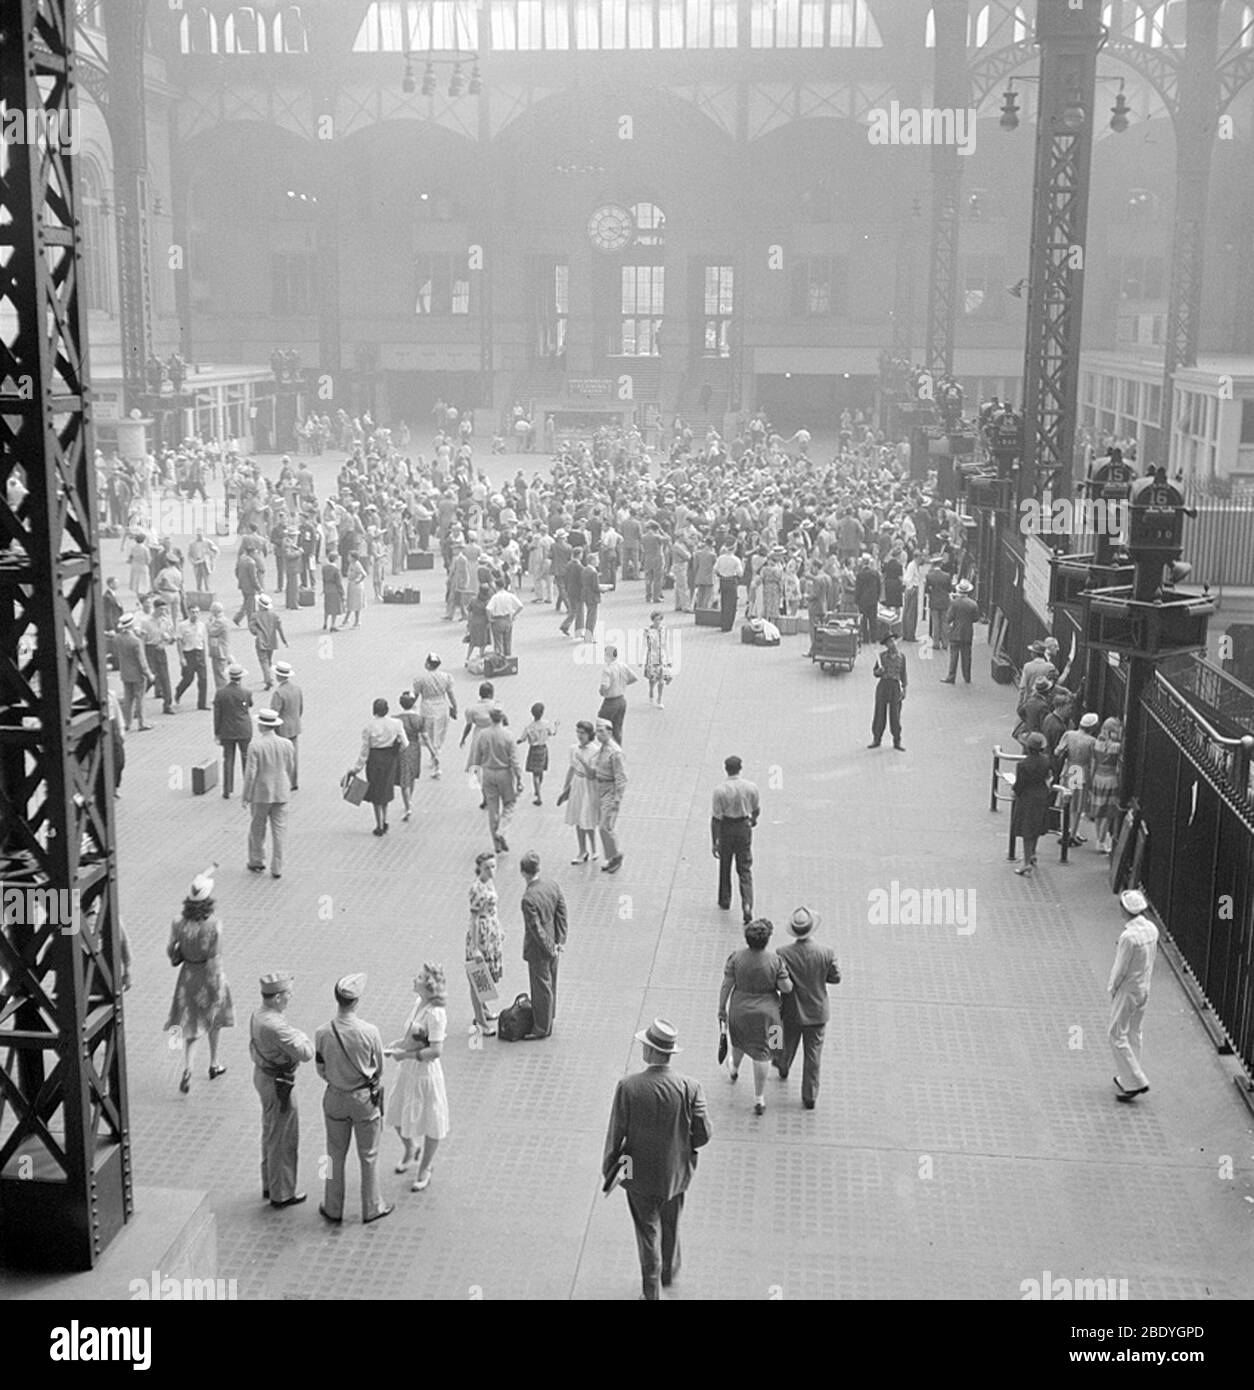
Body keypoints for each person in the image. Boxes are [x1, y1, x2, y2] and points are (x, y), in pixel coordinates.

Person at [601, 1018, 712, 1301]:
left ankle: (651, 1290)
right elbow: (703, 1133)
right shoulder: (691, 1087)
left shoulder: (628, 1087)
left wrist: (611, 1170)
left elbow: (616, 1133)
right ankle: (669, 1270)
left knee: (647, 1230)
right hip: (676, 1172)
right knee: (672, 1220)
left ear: (650, 1052)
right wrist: (685, 1151)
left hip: (639, 1175)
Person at [315, 973, 394, 1225]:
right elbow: (379, 1067)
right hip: (364, 1099)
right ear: (356, 1002)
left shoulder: (323, 1032)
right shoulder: (369, 1031)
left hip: (335, 1098)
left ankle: (331, 1205)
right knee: (369, 1155)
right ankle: (372, 1206)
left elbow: (320, 1069)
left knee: (331, 1155)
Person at [164, 867, 234, 1095]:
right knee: (214, 1020)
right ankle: (214, 1063)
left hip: (187, 977)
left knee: (191, 1026)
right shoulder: (214, 925)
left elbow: (171, 950)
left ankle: (188, 1068)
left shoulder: (178, 922)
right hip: (207, 975)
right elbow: (216, 958)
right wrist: (217, 988)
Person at [249, 972, 314, 1208]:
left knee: (270, 1132)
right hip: (279, 1084)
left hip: (263, 1076)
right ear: (277, 998)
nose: (290, 997)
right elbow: (305, 1053)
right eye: (287, 994)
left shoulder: (259, 1015)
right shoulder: (276, 1025)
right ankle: (282, 1192)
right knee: (283, 1137)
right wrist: (303, 1037)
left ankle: (270, 1183)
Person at [718, 918, 793, 1115]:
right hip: (769, 1014)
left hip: (740, 1010)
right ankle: (759, 1097)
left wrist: (721, 1009)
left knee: (740, 1042)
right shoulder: (775, 961)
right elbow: (786, 988)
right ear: (767, 939)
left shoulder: (735, 958)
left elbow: (727, 984)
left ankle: (734, 1068)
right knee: (765, 1052)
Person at [385, 963, 450, 1192]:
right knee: (397, 1114)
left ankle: (425, 1167)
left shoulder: (435, 1014)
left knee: (432, 1120)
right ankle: (411, 1147)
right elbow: (410, 1034)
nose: (415, 978)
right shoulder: (418, 1004)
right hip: (408, 1071)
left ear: (428, 985)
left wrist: (406, 1055)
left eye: (419, 976)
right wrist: (398, 1046)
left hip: (424, 1075)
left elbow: (436, 1051)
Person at [774, 907, 841, 1110]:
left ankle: (783, 1066)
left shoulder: (782, 953)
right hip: (817, 1012)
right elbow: (836, 977)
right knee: (813, 1055)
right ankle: (809, 1095)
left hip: (792, 1009)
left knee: (787, 1042)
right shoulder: (826, 952)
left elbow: (779, 981)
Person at [1108, 888, 1158, 1103]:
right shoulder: (1151, 929)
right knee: (1134, 1032)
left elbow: (1120, 968)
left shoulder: (1128, 937)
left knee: (1116, 1034)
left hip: (1128, 989)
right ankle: (1128, 1077)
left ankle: (1136, 1079)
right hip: (1144, 986)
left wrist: (1112, 988)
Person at [519, 850, 568, 1039]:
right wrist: (559, 941)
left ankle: (541, 1027)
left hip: (540, 950)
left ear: (523, 872)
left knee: (541, 988)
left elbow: (536, 930)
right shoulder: (552, 885)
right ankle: (550, 1016)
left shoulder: (528, 898)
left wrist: (548, 948)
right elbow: (562, 912)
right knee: (551, 982)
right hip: (554, 942)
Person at [242, 707, 295, 877]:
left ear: (262, 726)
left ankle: (257, 861)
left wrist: (246, 795)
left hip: (261, 793)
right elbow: (290, 767)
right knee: (279, 830)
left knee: (257, 828)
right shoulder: (287, 744)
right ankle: (277, 867)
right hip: (281, 791)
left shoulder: (255, 745)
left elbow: (250, 773)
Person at [711, 755, 760, 924]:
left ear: (726, 768)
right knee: (745, 868)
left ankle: (725, 900)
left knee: (725, 864)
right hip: (743, 828)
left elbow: (716, 818)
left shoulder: (720, 790)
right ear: (741, 768)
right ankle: (747, 904)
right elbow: (756, 809)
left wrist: (715, 840)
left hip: (727, 828)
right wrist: (752, 820)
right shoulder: (751, 787)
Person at [349, 696, 407, 837]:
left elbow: (364, 751)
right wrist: (396, 751)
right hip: (390, 759)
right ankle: (385, 819)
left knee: (375, 791)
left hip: (374, 760)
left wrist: (356, 768)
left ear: (373, 710)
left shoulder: (369, 727)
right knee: (386, 789)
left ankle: (379, 824)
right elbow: (405, 744)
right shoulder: (396, 723)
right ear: (387, 710)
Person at [466, 851, 505, 1035]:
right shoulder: (476, 889)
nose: (491, 871)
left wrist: (499, 928)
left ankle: (485, 1009)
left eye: (493, 866)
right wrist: (475, 947)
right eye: (487, 867)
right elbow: (474, 918)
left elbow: (493, 909)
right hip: (480, 935)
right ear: (479, 869)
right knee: (477, 977)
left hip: (491, 932)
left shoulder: (489, 883)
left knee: (486, 975)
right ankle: (480, 1020)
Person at [556, 719, 601, 863]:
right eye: (578, 732)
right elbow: (571, 768)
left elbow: (592, 774)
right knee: (578, 818)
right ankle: (582, 850)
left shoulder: (595, 751)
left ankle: (594, 849)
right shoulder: (573, 748)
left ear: (589, 734)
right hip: (577, 784)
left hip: (588, 786)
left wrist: (583, 761)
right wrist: (565, 789)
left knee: (587, 817)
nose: (580, 735)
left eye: (583, 733)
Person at [1011, 731, 1053, 876]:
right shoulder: (1046, 760)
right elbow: (1048, 776)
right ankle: (1033, 854)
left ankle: (1026, 862)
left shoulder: (1023, 765)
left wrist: (1014, 790)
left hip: (1027, 798)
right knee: (1036, 827)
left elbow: (1019, 785)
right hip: (1041, 796)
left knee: (1026, 830)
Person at [413, 652, 458, 779]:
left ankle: (435, 759)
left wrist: (410, 706)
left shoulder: (421, 679)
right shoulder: (446, 677)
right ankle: (435, 756)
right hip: (442, 708)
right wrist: (455, 707)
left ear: (427, 664)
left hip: (427, 708)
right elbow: (451, 694)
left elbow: (415, 695)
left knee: (428, 735)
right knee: (439, 734)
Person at [592, 718, 627, 874]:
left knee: (605, 826)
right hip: (601, 787)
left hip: (610, 789)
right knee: (604, 826)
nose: (598, 734)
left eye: (601, 731)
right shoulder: (603, 748)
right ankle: (611, 856)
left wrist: (617, 798)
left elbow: (620, 777)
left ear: (610, 732)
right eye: (597, 731)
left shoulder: (615, 752)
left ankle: (615, 855)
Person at [213, 663, 253, 799]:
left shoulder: (221, 693)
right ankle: (248, 789)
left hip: (227, 730)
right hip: (244, 730)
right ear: (240, 678)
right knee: (246, 758)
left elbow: (217, 715)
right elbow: (250, 704)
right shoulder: (246, 692)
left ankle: (227, 789)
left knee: (228, 759)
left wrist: (217, 732)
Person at [868, 632, 907, 751]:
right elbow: (875, 673)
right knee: (880, 713)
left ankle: (897, 740)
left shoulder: (902, 657)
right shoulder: (882, 657)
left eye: (894, 641)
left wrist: (904, 688)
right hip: (883, 685)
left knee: (895, 715)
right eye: (890, 642)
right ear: (886, 645)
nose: (893, 644)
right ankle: (877, 738)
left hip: (895, 686)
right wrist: (879, 671)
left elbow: (903, 674)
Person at [1089, 716, 1124, 853]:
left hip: (1098, 777)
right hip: (1110, 779)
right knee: (1107, 813)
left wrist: (1091, 780)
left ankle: (1099, 839)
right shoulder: (1117, 747)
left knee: (1098, 812)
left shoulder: (1096, 744)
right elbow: (1119, 766)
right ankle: (1102, 841)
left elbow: (1093, 763)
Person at [114, 613, 153, 731]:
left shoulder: (117, 638)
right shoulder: (136, 641)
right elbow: (141, 660)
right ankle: (142, 723)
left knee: (128, 699)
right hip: (137, 674)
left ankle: (127, 723)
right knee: (140, 698)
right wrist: (149, 674)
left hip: (125, 673)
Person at [518, 702, 558, 805]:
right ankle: (538, 788)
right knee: (540, 771)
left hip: (533, 750)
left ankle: (538, 795)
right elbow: (553, 733)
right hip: (543, 749)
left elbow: (522, 738)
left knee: (534, 773)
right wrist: (556, 726)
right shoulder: (546, 724)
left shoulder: (529, 727)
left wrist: (518, 741)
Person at [597, 644, 638, 746]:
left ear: (607, 655)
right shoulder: (623, 665)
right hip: (621, 700)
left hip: (610, 702)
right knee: (617, 727)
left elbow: (605, 686)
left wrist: (602, 691)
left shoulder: (608, 669)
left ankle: (606, 747)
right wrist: (623, 684)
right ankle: (618, 748)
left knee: (603, 725)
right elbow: (633, 678)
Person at [940, 578, 979, 685]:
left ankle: (951, 677)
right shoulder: (973, 604)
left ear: (959, 591)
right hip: (967, 633)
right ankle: (967, 677)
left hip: (955, 633)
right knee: (967, 656)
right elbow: (976, 618)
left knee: (954, 656)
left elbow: (948, 618)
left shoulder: (954, 603)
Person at [248, 593, 288, 690]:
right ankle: (268, 675)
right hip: (272, 640)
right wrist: (284, 640)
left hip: (261, 640)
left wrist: (257, 632)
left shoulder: (255, 615)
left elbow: (252, 627)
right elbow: (279, 628)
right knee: (269, 660)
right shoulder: (274, 615)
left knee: (263, 660)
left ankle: (268, 679)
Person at [173, 605, 209, 710]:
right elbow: (179, 642)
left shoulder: (202, 625)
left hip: (199, 652)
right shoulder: (182, 626)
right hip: (188, 653)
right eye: (193, 612)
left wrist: (204, 654)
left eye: (197, 612)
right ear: (188, 613)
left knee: (203, 679)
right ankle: (179, 691)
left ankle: (202, 704)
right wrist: (181, 658)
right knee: (188, 678)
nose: (195, 614)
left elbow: (202, 640)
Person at [395, 690, 423, 820]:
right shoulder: (418, 719)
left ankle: (407, 806)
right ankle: (409, 800)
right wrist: (434, 753)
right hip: (415, 748)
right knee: (411, 776)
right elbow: (425, 737)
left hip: (402, 750)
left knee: (404, 778)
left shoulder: (396, 720)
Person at [486, 577, 524, 656]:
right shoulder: (510, 595)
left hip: (497, 620)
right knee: (508, 641)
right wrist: (513, 615)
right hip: (507, 620)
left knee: (498, 643)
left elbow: (488, 609)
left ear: (497, 586)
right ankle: (509, 658)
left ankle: (500, 659)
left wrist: (490, 619)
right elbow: (520, 606)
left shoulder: (495, 597)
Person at [642, 611, 673, 708]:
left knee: (662, 678)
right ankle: (651, 690)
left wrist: (669, 659)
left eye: (659, 619)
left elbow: (666, 644)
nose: (658, 622)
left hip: (662, 656)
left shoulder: (664, 629)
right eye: (656, 620)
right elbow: (644, 644)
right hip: (652, 656)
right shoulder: (647, 630)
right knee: (652, 678)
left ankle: (659, 699)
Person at [714, 543, 744, 632]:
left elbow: (715, 569)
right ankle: (728, 624)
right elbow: (740, 573)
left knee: (724, 602)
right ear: (734, 549)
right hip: (731, 580)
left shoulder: (720, 558)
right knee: (731, 604)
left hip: (723, 580)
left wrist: (720, 574)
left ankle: (723, 623)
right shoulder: (736, 560)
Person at [207, 601, 232, 692]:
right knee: (219, 673)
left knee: (219, 674)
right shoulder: (223, 620)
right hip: (221, 650)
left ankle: (222, 693)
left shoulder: (219, 622)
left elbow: (211, 631)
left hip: (219, 651)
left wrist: (209, 622)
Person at [321, 547, 344, 631]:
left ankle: (325, 622)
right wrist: (342, 592)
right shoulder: (336, 569)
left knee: (327, 607)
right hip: (334, 589)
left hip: (327, 588)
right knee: (334, 608)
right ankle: (333, 625)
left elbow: (323, 579)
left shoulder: (324, 568)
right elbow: (339, 582)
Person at [345, 553, 367, 628]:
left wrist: (359, 581)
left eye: (349, 556)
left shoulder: (357, 565)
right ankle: (346, 619)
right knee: (350, 603)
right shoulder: (351, 564)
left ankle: (357, 621)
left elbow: (364, 574)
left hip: (356, 586)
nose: (348, 557)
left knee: (356, 603)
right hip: (351, 584)